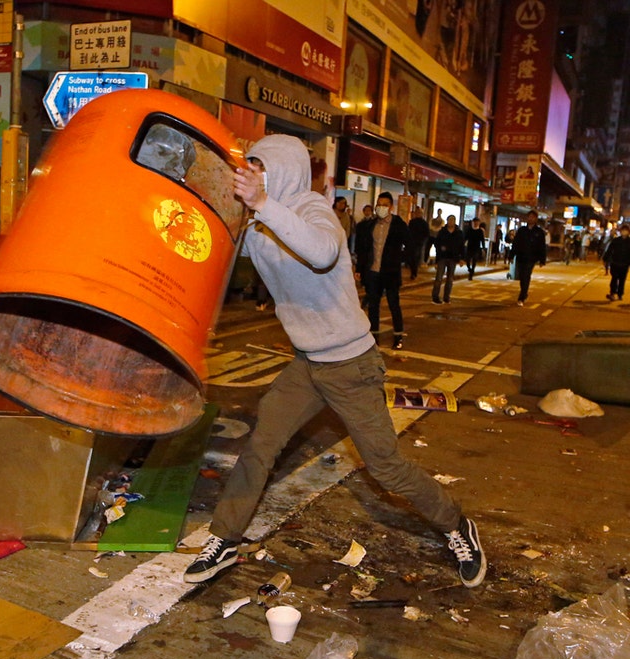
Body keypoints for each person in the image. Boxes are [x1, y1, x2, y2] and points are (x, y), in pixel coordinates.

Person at [182, 134, 485, 590]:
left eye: (261, 166)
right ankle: (225, 537)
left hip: (350, 363)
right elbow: (217, 248)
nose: (253, 174)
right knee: (261, 447)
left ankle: (456, 524)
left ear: (283, 170)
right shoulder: (260, 222)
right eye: (251, 166)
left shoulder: (310, 210)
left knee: (385, 467)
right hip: (306, 364)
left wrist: (262, 202)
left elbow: (322, 253)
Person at [354, 191, 410, 349]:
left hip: (390, 272)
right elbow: (364, 249)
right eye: (379, 204)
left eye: (384, 205)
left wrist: (400, 259)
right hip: (372, 271)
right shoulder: (370, 225)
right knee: (373, 306)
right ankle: (374, 338)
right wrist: (359, 269)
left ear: (391, 207)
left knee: (394, 304)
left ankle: (398, 336)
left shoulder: (398, 224)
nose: (381, 208)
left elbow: (410, 245)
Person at [511, 210, 548, 306]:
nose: (530, 218)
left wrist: (542, 259)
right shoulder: (521, 230)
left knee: (526, 276)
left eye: (532, 217)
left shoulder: (539, 232)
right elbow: (515, 243)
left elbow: (542, 246)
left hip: (531, 258)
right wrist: (511, 256)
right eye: (529, 217)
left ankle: (521, 297)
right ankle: (524, 293)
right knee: (521, 277)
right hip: (520, 257)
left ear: (536, 219)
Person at [431, 215, 465, 304]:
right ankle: (435, 297)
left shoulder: (459, 233)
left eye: (452, 220)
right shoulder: (442, 232)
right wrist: (439, 253)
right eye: (449, 220)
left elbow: (462, 246)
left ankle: (446, 297)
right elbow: (436, 243)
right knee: (439, 278)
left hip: (453, 258)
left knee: (450, 279)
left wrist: (462, 258)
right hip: (442, 257)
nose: (450, 222)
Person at [603, 224, 630, 301]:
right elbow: (610, 250)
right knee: (614, 278)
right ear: (620, 231)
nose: (624, 232)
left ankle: (620, 294)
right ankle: (612, 293)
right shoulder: (616, 241)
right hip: (615, 263)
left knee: (622, 280)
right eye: (623, 231)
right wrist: (606, 258)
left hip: (625, 264)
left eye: (626, 231)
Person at [407, 205, 430, 280]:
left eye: (419, 213)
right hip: (412, 242)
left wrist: (422, 241)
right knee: (411, 257)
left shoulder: (424, 223)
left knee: (415, 257)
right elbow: (408, 231)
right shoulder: (412, 222)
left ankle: (414, 272)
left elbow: (426, 234)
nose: (418, 214)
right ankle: (413, 271)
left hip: (419, 243)